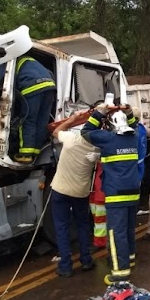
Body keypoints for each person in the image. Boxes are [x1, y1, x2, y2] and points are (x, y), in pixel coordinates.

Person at [81, 104, 140, 285]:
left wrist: (100, 112)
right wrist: (128, 112)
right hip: (133, 193)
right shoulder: (135, 138)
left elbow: (86, 131)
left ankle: (120, 272)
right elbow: (135, 125)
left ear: (112, 126)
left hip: (116, 194)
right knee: (129, 229)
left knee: (116, 233)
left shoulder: (108, 139)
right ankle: (129, 259)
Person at [49, 111, 100, 277]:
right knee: (83, 225)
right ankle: (86, 260)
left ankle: (65, 266)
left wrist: (71, 120)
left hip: (60, 189)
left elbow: (56, 131)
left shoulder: (71, 140)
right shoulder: (96, 148)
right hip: (80, 192)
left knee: (61, 226)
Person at [0, 56, 56, 163]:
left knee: (28, 120)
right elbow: (50, 73)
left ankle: (25, 154)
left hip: (32, 87)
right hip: (49, 86)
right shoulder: (30, 61)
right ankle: (35, 152)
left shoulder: (2, 60)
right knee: (41, 121)